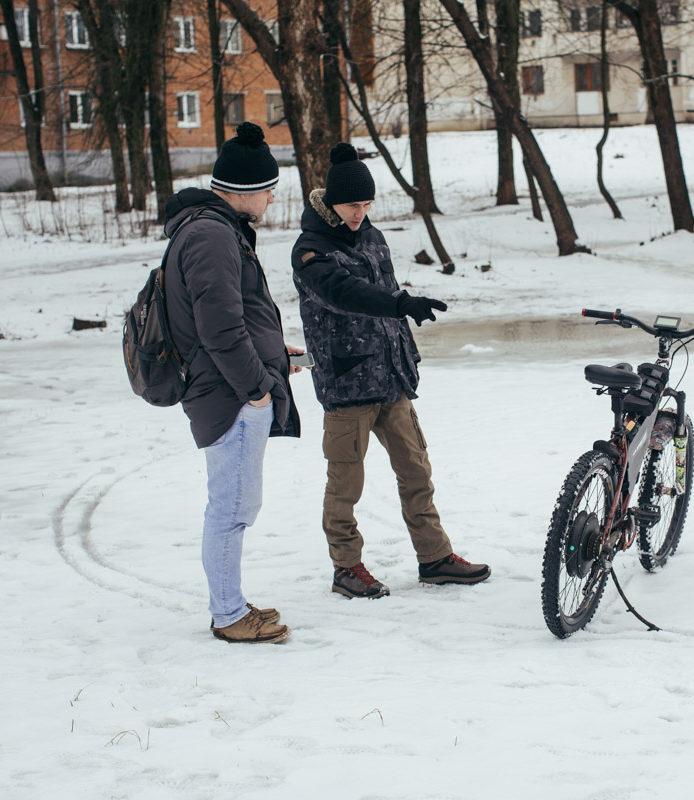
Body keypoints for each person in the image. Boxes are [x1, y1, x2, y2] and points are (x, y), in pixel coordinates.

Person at [291, 142, 490, 598]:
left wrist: (404, 341)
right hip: (347, 383)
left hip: (391, 377)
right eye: (351, 205)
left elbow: (382, 290)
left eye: (366, 204)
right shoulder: (311, 250)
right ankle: (346, 569)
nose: (360, 213)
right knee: (345, 486)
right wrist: (401, 303)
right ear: (330, 202)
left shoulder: (372, 236)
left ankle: (435, 558)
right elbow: (345, 293)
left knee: (417, 472)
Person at [164, 121, 303, 643]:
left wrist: (273, 352)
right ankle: (228, 615)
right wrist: (257, 388)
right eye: (268, 189)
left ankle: (231, 603)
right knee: (231, 507)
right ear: (246, 191)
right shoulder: (212, 234)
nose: (271, 198)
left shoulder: (211, 229)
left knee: (234, 504)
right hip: (229, 396)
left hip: (228, 387)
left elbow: (234, 315)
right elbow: (219, 327)